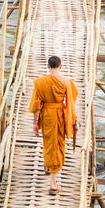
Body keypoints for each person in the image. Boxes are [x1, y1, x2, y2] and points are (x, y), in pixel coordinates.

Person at [29, 56, 79, 195]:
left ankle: (47, 165)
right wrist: (74, 120)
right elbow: (71, 105)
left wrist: (34, 123)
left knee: (48, 141)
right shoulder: (66, 82)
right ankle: (53, 182)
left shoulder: (40, 83)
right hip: (59, 115)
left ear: (48, 66)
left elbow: (36, 105)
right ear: (60, 66)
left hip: (46, 115)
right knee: (58, 144)